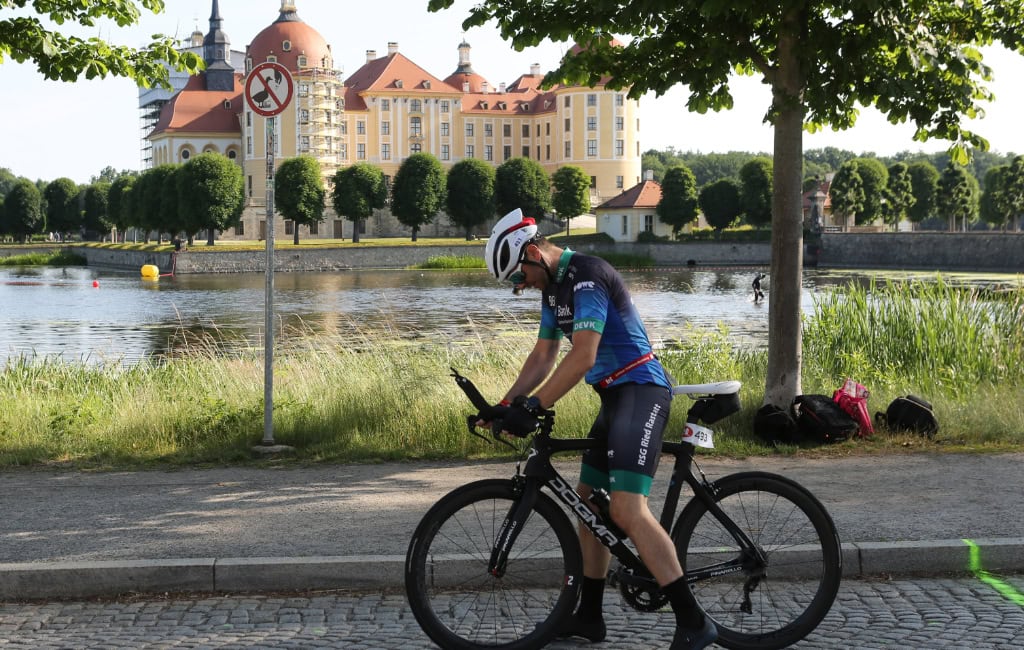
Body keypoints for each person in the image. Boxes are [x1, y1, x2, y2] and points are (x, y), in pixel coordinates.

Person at [480, 209, 718, 650]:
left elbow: (584, 355)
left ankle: (694, 621)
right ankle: (589, 616)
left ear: (534, 253)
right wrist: (505, 404)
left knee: (627, 510)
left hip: (641, 391)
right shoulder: (554, 292)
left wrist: (535, 405)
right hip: (613, 399)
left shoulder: (586, 277)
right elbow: (543, 356)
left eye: (520, 274)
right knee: (588, 506)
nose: (521, 285)